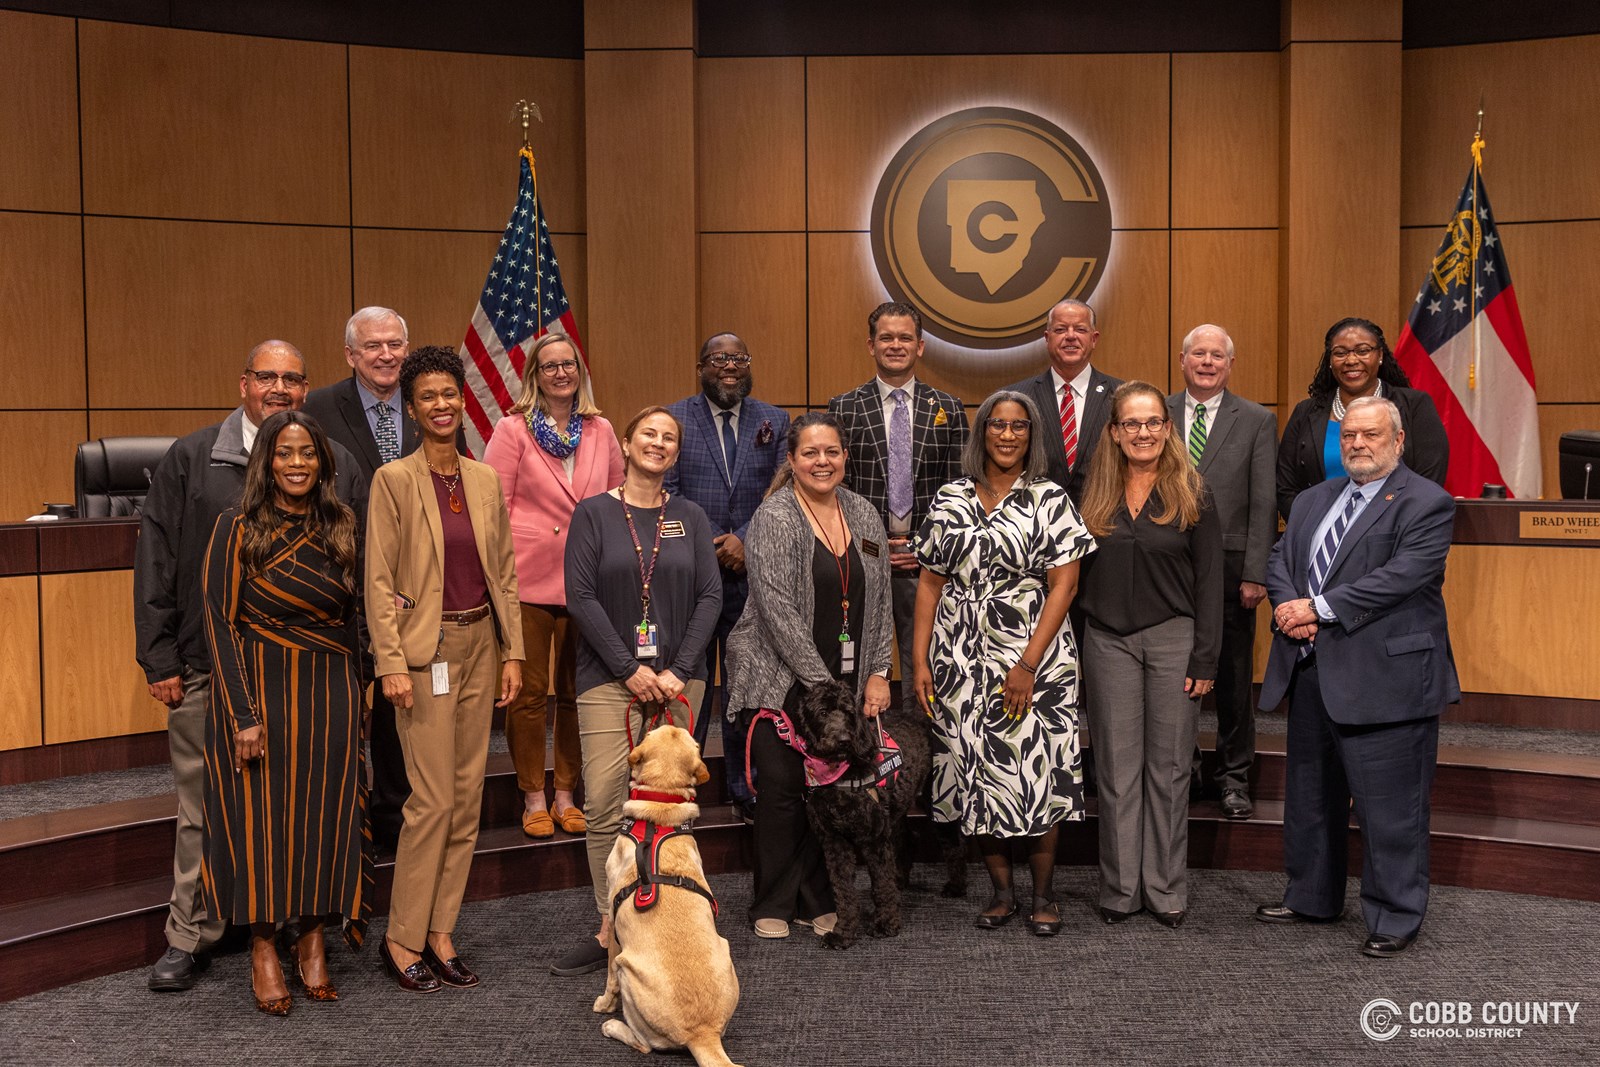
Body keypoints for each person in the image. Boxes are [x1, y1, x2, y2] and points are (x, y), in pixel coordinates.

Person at [134, 340, 364, 993]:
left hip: (319, 679)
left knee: (305, 807)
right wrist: (159, 654)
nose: (280, 388)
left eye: (293, 378)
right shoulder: (195, 456)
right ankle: (191, 934)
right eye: (268, 376)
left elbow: (357, 575)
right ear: (244, 383)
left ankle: (299, 926)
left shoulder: (337, 462)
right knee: (210, 808)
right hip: (214, 666)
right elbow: (156, 557)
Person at [1255, 396, 1458, 959]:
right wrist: (1289, 604)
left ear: (1397, 440)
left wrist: (1316, 608)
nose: (1358, 445)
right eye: (1349, 437)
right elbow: (1280, 559)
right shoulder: (1314, 499)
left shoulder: (1426, 502)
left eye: (1370, 436)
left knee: (1391, 808)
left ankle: (1395, 915)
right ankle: (1312, 897)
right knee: (1312, 797)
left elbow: (1403, 576)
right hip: (1313, 668)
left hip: (1385, 677)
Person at [201, 410, 372, 1015]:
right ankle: (264, 946)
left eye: (307, 453)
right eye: (284, 453)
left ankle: (315, 939)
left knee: (323, 819)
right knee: (260, 824)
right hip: (260, 690)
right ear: (265, 461)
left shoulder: (343, 524)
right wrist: (242, 714)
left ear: (323, 462)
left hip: (330, 690)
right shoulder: (236, 526)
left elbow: (355, 617)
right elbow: (220, 627)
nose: (296, 463)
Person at [365, 346, 523, 993]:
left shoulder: (482, 478)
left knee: (465, 801)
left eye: (449, 394)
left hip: (481, 643)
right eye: (428, 395)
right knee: (429, 801)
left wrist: (513, 649)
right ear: (411, 406)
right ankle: (401, 935)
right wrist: (390, 660)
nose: (441, 405)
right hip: (423, 655)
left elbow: (505, 572)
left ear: (464, 400)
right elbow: (377, 578)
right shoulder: (394, 480)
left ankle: (441, 930)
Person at [911, 390, 1095, 936]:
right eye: (998, 425)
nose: (1008, 435)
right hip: (958, 657)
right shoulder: (949, 497)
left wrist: (1027, 664)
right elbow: (928, 583)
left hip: (1035, 654)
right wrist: (919, 660)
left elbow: (1066, 584)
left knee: (1038, 773)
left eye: (1019, 426)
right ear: (982, 432)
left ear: (1032, 436)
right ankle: (1000, 892)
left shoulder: (1050, 499)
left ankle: (1043, 895)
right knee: (975, 773)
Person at [553, 406, 722, 975]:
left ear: (676, 453)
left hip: (680, 680)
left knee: (671, 808)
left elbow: (709, 598)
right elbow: (581, 598)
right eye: (647, 433)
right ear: (625, 443)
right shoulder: (593, 514)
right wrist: (629, 668)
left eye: (668, 438)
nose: (658, 443)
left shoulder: (692, 517)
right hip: (609, 680)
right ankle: (613, 928)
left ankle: (670, 915)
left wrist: (678, 669)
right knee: (605, 806)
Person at [724, 412, 894, 941]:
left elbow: (883, 598)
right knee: (782, 788)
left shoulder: (864, 514)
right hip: (782, 675)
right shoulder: (775, 517)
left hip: (846, 678)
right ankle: (772, 899)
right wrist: (826, 687)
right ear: (792, 461)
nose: (823, 461)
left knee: (832, 790)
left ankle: (817, 896)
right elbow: (776, 611)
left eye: (832, 452)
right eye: (810, 453)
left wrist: (879, 672)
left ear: (845, 457)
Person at [1076, 381, 1222, 928]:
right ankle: (1119, 890)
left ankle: (1164, 889)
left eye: (1153, 422)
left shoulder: (1194, 490)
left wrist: (1205, 659)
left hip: (1174, 640)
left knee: (1168, 767)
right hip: (1106, 640)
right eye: (1131, 424)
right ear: (1114, 432)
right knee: (1115, 771)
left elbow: (1210, 582)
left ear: (1168, 427)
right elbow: (1070, 578)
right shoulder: (1090, 492)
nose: (1143, 433)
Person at [483, 332, 623, 840]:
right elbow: (492, 505)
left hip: (586, 579)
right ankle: (533, 797)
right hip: (527, 577)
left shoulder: (600, 429)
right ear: (534, 376)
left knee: (575, 692)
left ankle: (566, 794)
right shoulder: (513, 429)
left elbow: (615, 501)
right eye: (549, 366)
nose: (560, 373)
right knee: (529, 694)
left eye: (568, 364)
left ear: (578, 372)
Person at [303, 306, 420, 852]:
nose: (386, 355)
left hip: (417, 582)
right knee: (346, 707)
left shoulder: (429, 401)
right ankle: (343, 824)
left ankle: (396, 818)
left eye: (395, 343)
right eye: (373, 346)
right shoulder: (320, 408)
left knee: (403, 706)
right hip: (341, 582)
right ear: (350, 354)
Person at [664, 333, 791, 823]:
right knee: (691, 686)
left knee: (744, 689)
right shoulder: (674, 418)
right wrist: (716, 541)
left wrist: (744, 540)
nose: (730, 366)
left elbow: (781, 492)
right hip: (692, 576)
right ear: (701, 366)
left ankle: (744, 786)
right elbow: (668, 492)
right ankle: (681, 787)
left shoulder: (773, 421)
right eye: (720, 358)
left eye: (739, 357)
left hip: (751, 578)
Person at [829, 301, 968, 712]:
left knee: (920, 666)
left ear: (920, 346)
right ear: (871, 345)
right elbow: (837, 490)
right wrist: (872, 545)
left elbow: (957, 492)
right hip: (860, 560)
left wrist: (922, 547)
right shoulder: (844, 407)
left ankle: (917, 762)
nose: (895, 345)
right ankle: (854, 759)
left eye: (905, 337)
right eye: (886, 338)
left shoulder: (948, 408)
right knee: (853, 665)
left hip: (925, 567)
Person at [1166, 324, 1277, 819]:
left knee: (1231, 679)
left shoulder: (1255, 419)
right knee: (1173, 675)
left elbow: (1263, 500)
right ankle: (1183, 771)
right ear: (1183, 360)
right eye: (1199, 354)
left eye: (1217, 355)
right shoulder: (1155, 412)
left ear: (1230, 365)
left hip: (1232, 570)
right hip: (1165, 566)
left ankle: (1233, 777)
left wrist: (1257, 572)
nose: (1207, 362)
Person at [1277, 316, 1449, 522]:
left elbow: (1428, 481)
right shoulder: (1306, 412)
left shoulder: (1414, 407)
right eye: (1340, 353)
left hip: (1394, 532)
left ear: (1380, 355)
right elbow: (1286, 487)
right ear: (1330, 361)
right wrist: (1314, 530)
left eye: (1363, 350)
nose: (1351, 360)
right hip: (1320, 534)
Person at [1004, 299, 1123, 504]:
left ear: (1094, 339)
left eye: (1080, 329)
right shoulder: (1017, 398)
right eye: (1060, 329)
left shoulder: (1121, 397)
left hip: (1105, 522)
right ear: (1047, 338)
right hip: (1035, 523)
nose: (1070, 336)